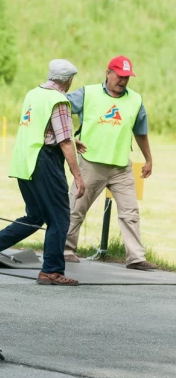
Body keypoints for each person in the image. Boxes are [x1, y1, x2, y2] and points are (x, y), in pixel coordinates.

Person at [0, 59, 86, 286]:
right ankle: (52, 271)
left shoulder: (34, 94)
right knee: (59, 218)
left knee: (35, 216)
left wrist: (71, 140)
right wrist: (78, 175)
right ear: (68, 80)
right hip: (45, 162)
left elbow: (42, 128)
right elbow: (63, 141)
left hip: (24, 161)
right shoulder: (59, 100)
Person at [63, 56, 157, 270]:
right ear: (108, 73)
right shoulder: (88, 94)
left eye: (127, 77)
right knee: (76, 208)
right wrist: (69, 137)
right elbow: (59, 109)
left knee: (130, 212)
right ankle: (66, 249)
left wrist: (148, 159)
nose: (123, 81)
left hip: (121, 167)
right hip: (91, 164)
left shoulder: (135, 100)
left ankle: (136, 258)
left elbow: (140, 132)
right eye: (119, 76)